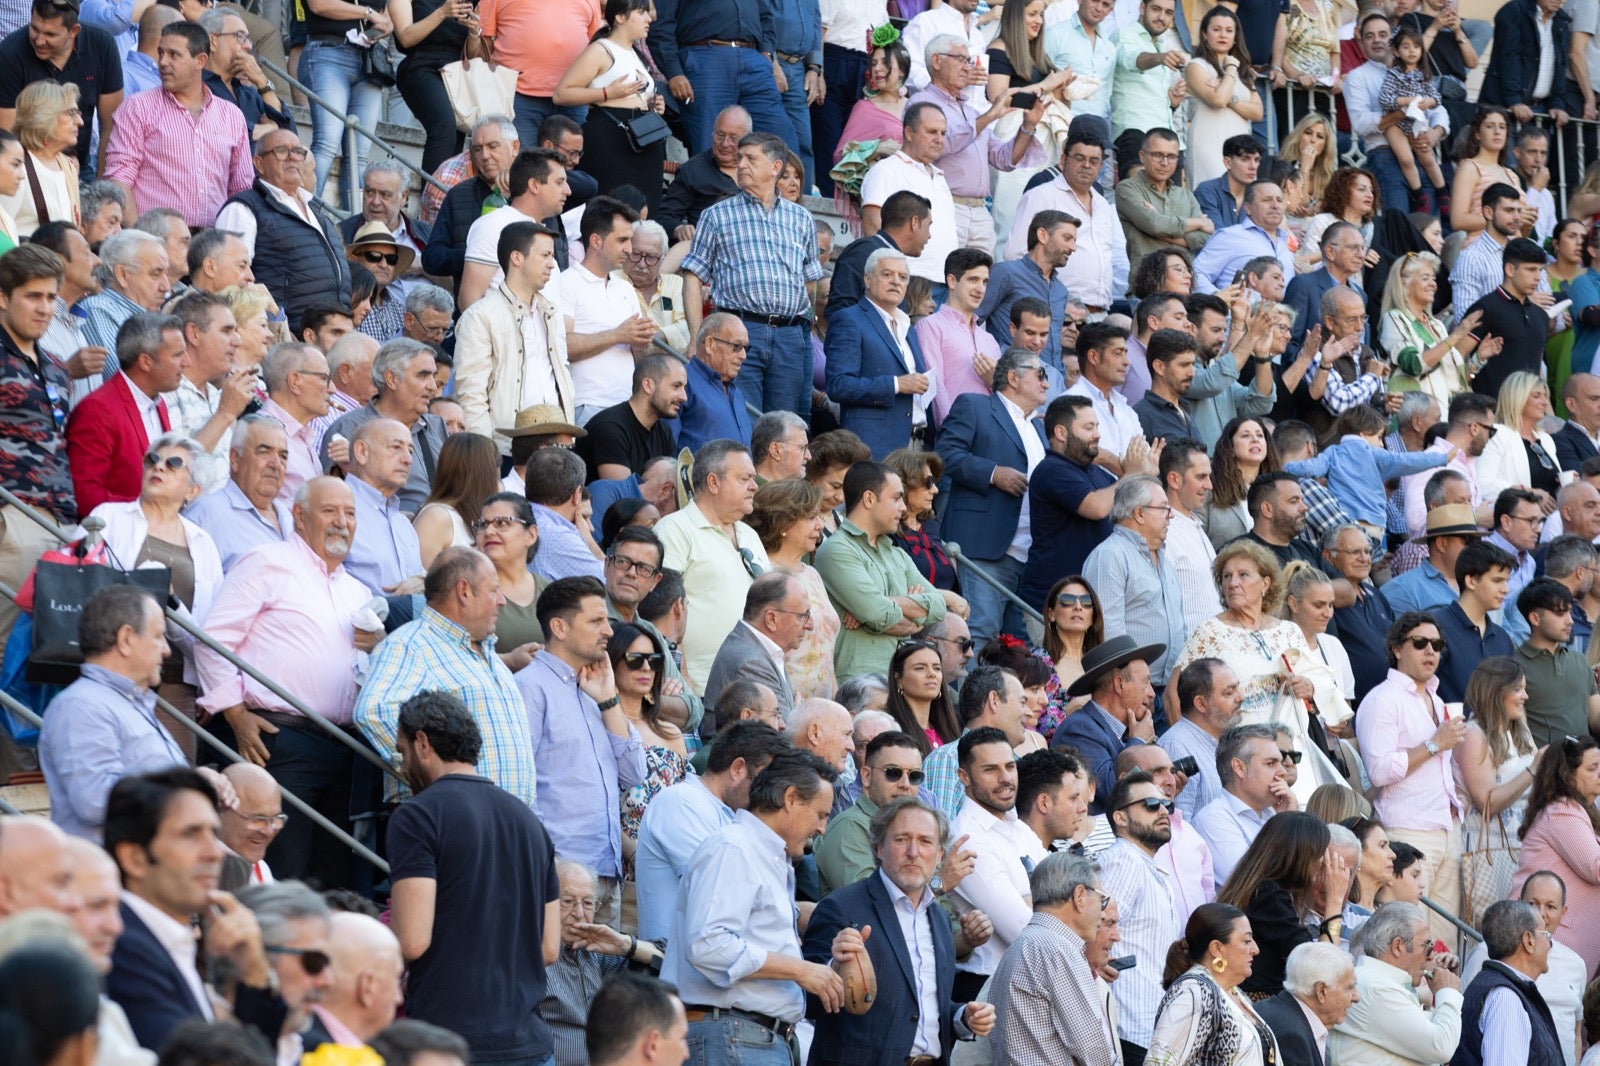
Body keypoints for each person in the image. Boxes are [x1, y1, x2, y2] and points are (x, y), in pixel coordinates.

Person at [192, 475, 373, 885]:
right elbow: (212, 640)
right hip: (275, 740)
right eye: (329, 511)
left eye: (349, 513)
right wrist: (234, 713)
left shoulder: (358, 591)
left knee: (329, 879)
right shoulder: (267, 561)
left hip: (340, 746)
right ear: (299, 515)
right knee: (276, 871)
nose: (341, 522)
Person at [383, 689, 560, 1065]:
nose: (401, 766)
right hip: (529, 1044)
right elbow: (548, 948)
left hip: (448, 1045)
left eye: (402, 752)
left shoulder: (416, 817)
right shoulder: (529, 822)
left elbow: (411, 941)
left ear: (423, 742)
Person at [662, 748, 861, 1066]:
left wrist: (825, 972)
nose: (823, 828)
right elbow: (708, 945)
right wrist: (801, 970)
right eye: (821, 814)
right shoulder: (733, 848)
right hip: (732, 1037)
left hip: (750, 1039)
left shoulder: (769, 858)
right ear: (792, 798)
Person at [804, 794, 994, 1062]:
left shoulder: (938, 918)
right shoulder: (841, 908)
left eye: (925, 841)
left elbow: (922, 1010)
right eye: (902, 839)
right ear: (879, 847)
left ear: (939, 855)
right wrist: (834, 968)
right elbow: (806, 1001)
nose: (913, 852)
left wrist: (962, 1017)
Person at [101, 768, 279, 1052]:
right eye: (190, 835)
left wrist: (254, 972)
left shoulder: (164, 940)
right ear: (134, 858)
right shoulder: (121, 948)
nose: (215, 852)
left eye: (213, 833)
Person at [355, 547, 538, 806]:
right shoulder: (410, 645)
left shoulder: (487, 653)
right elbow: (373, 712)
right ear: (464, 591)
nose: (502, 600)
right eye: (493, 590)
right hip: (452, 819)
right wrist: (441, 781)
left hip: (506, 823)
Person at [515, 572, 649, 915]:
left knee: (604, 971)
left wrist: (608, 700)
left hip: (606, 871)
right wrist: (546, 862)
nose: (609, 630)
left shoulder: (596, 690)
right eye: (597, 620)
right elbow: (519, 786)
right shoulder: (529, 687)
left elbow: (635, 773)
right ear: (559, 628)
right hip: (559, 875)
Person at [680, 133, 821, 418]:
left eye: (751, 158)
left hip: (790, 335)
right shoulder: (716, 215)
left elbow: (810, 282)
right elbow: (692, 277)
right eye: (740, 157)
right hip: (738, 331)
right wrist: (697, 337)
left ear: (775, 166)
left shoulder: (801, 218)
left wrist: (802, 328)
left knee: (785, 424)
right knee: (744, 420)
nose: (741, 164)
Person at [38, 585, 185, 840]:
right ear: (126, 639)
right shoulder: (82, 706)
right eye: (159, 636)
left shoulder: (125, 703)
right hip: (110, 875)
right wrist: (188, 787)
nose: (166, 650)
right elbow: (96, 802)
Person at [1356, 611, 1468, 946]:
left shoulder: (1434, 696)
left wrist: (1454, 792)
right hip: (1407, 828)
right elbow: (1379, 770)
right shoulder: (1382, 700)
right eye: (1419, 643)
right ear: (1396, 649)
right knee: (1407, 933)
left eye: (1437, 645)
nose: (1430, 651)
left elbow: (1439, 761)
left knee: (1444, 939)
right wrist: (1435, 744)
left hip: (1446, 826)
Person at [936, 347, 1049, 647]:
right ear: (1013, 377)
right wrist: (994, 473)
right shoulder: (975, 406)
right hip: (984, 546)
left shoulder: (1039, 428)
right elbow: (944, 455)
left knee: (1021, 643)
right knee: (981, 629)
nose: (1047, 384)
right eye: (1040, 374)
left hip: (1030, 554)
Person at [103, 21, 251, 231]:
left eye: (174, 55)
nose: (162, 62)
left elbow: (241, 189)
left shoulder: (232, 116)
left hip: (213, 244)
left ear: (200, 61)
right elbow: (118, 178)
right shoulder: (138, 107)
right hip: (156, 242)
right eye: (161, 53)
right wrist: (141, 239)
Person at [815, 460, 948, 683]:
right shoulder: (836, 549)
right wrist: (911, 611)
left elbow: (939, 606)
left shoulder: (896, 554)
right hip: (860, 683)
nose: (904, 508)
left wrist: (883, 604)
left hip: (900, 681)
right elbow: (878, 614)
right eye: (896, 498)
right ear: (869, 499)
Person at [988, 850, 1120, 1066]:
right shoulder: (1059, 950)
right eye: (1101, 901)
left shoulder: (1020, 946)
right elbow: (1092, 1048)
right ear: (1079, 897)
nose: (1101, 913)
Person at [213, 128, 351, 333]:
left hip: (331, 335)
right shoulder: (243, 208)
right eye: (281, 151)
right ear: (259, 163)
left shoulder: (315, 209)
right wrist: (276, 326)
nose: (292, 157)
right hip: (286, 337)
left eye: (297, 151)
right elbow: (231, 282)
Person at [1170, 540, 1313, 726]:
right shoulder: (1210, 632)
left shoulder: (1290, 631)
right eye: (1227, 576)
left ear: (1265, 583)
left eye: (1243, 575)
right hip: (1238, 748)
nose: (1233, 583)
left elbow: (1317, 689)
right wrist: (1191, 750)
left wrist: (1309, 689)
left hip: (1292, 745)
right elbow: (1172, 694)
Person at [947, 725, 1044, 993]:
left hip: (1028, 979)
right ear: (964, 777)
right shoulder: (968, 839)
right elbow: (1022, 930)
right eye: (990, 770)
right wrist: (1044, 900)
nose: (1005, 778)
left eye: (1010, 767)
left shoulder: (1018, 826)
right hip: (988, 987)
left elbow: (1067, 892)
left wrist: (1029, 900)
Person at [1099, 769, 1183, 1064]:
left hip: (1150, 1028)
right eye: (1150, 804)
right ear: (1120, 818)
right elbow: (1093, 927)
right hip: (1129, 1029)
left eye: (1166, 805)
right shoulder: (1123, 860)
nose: (1162, 810)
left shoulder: (1144, 864)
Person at [65, 312, 186, 514]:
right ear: (146, 362)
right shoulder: (98, 410)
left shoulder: (159, 403)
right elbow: (84, 495)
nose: (187, 362)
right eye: (177, 355)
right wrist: (146, 509)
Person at [1007, 127, 1127, 318]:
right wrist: (1050, 300)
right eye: (1079, 158)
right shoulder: (1042, 195)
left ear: (1102, 165)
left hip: (1100, 312)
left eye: (1094, 161)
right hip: (1056, 310)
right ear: (1063, 160)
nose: (1087, 165)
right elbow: (1015, 254)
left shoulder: (1103, 204)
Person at [826, 249, 934, 459]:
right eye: (887, 274)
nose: (896, 281)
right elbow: (839, 385)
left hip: (916, 446)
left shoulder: (908, 327)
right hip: (874, 447)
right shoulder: (849, 320)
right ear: (867, 279)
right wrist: (896, 384)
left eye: (902, 277)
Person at [1147, 901, 1281, 1066]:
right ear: (1217, 948)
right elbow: (1158, 1063)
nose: (1255, 949)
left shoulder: (1234, 993)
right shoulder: (1193, 994)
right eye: (1246, 941)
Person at [1051, 635, 1163, 805]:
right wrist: (1138, 743)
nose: (1152, 694)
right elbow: (1111, 792)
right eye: (1146, 683)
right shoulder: (1078, 730)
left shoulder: (1129, 729)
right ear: (1119, 684)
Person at [1378, 251, 1489, 409]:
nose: (1433, 284)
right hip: (1413, 416)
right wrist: (1456, 335)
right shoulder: (1395, 319)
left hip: (1442, 416)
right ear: (1403, 283)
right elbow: (1414, 365)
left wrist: (1478, 359)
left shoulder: (1437, 325)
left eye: (1433, 278)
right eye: (1425, 278)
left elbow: (1454, 381)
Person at [1190, 723, 1291, 882]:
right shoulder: (1213, 819)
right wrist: (1287, 824)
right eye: (1271, 763)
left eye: (1281, 762)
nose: (1283, 772)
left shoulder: (1272, 813)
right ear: (1239, 768)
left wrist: (1285, 819)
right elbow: (1255, 883)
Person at [1116, 128, 1212, 281]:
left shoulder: (1185, 195)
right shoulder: (1127, 188)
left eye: (1172, 156)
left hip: (1185, 285)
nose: (1165, 162)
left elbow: (1204, 237)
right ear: (1142, 156)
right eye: (1158, 155)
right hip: (1147, 284)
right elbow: (1154, 224)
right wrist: (1197, 223)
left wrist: (1163, 227)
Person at [1182, 6, 1263, 188]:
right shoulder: (1196, 66)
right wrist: (1231, 68)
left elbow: (1257, 112)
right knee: (1210, 197)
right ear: (1204, 34)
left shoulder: (1244, 72)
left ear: (1236, 36)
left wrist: (1229, 96)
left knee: (1241, 203)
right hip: (1208, 143)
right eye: (1216, 29)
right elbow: (1218, 101)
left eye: (1229, 30)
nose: (1223, 35)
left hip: (1240, 146)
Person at [1161, 657, 1244, 818]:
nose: (1241, 697)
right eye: (1229, 692)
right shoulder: (1177, 746)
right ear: (1201, 704)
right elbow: (1180, 826)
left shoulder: (1228, 741)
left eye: (1238, 688)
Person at [1255, 941, 1360, 1066]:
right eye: (1349, 988)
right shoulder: (1291, 1037)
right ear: (1321, 992)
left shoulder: (1280, 1010)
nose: (1356, 997)